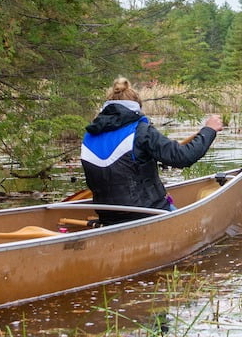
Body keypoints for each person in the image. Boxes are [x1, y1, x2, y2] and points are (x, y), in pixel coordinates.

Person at [80, 76, 224, 226]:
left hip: (108, 216)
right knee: (195, 226)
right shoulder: (141, 132)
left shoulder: (89, 136)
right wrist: (209, 130)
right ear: (137, 107)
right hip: (147, 214)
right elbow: (183, 157)